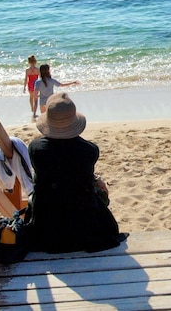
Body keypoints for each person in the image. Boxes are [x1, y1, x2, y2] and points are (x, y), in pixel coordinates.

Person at [28, 92, 125, 253]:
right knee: (97, 185)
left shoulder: (36, 149)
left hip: (48, 227)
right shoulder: (89, 150)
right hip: (85, 226)